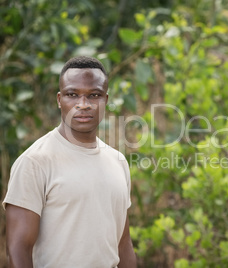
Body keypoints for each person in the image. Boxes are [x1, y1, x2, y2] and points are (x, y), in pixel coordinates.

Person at [3, 56, 137, 267]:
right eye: (72, 95)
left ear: (106, 100)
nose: (83, 105)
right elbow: (18, 248)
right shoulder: (34, 162)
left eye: (94, 95)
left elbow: (123, 244)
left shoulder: (118, 161)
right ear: (59, 100)